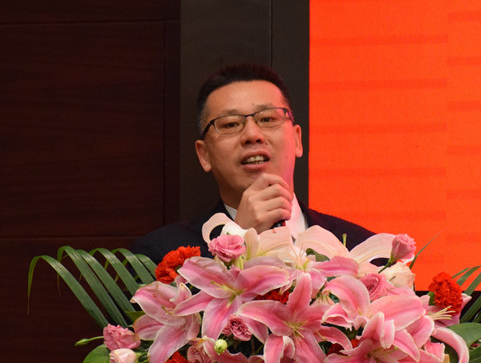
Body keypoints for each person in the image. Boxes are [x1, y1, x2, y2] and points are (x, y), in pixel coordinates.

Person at [132, 63, 373, 263]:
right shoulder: (163, 256)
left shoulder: (363, 250)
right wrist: (239, 240)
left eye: (267, 118)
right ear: (204, 155)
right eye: (230, 124)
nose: (252, 135)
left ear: (297, 140)